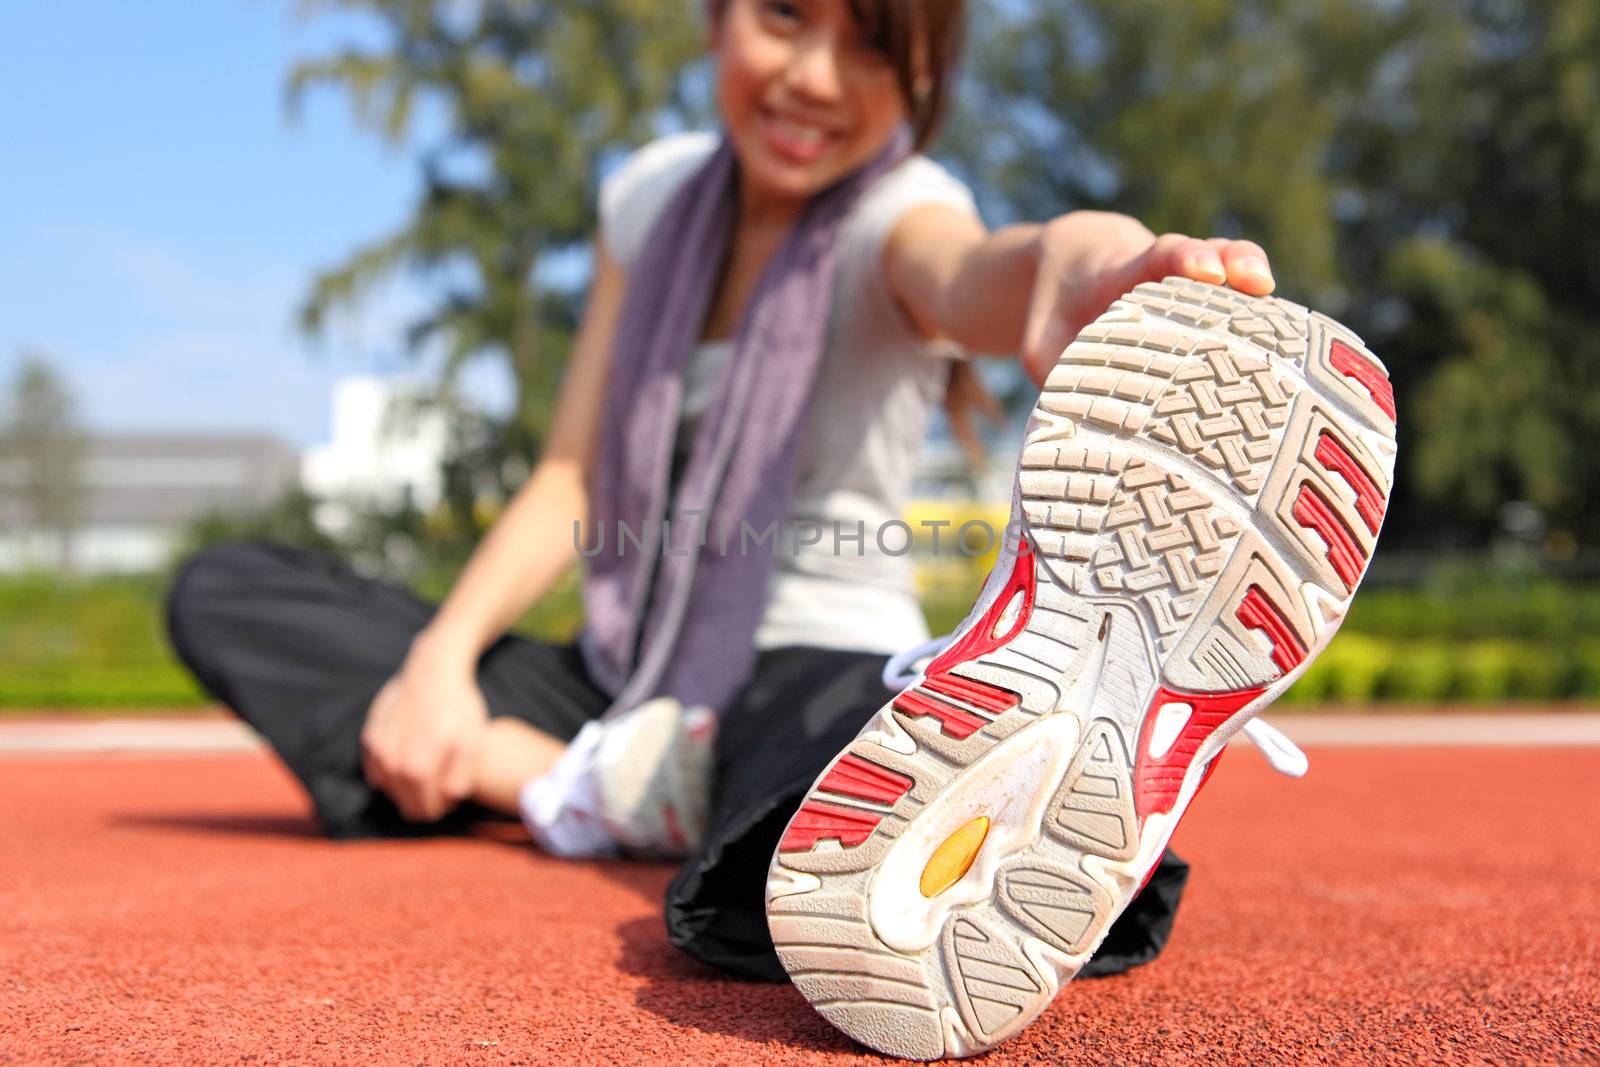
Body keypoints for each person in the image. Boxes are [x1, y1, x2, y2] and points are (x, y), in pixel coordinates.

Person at [169, 0, 1396, 1057]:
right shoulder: (649, 202)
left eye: (869, 45)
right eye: (782, 19)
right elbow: (570, 478)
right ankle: (587, 783)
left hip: (808, 650)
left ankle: (896, 806)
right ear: (713, 19)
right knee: (232, 589)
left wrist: (1100, 274)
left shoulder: (898, 211)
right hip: (623, 661)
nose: (815, 76)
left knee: (817, 817)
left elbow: (992, 266)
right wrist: (438, 667)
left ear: (918, 77)